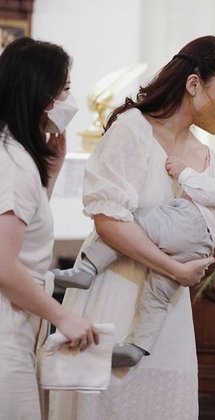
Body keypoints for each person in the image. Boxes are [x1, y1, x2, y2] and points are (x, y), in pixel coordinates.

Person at [49, 36, 215, 420]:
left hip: (164, 317)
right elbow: (109, 223)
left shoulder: (206, 157)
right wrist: (174, 269)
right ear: (194, 84)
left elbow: (208, 237)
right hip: (114, 294)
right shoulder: (132, 129)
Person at [53, 149, 215, 367]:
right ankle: (136, 345)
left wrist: (184, 172)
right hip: (199, 248)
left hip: (186, 221)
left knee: (131, 227)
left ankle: (88, 267)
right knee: (159, 295)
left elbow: (211, 192)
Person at [0, 37, 99, 420]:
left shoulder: (15, 153)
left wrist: (50, 177)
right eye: (66, 91)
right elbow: (5, 267)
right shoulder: (13, 160)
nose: (69, 102)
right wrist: (63, 317)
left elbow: (22, 233)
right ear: (42, 95)